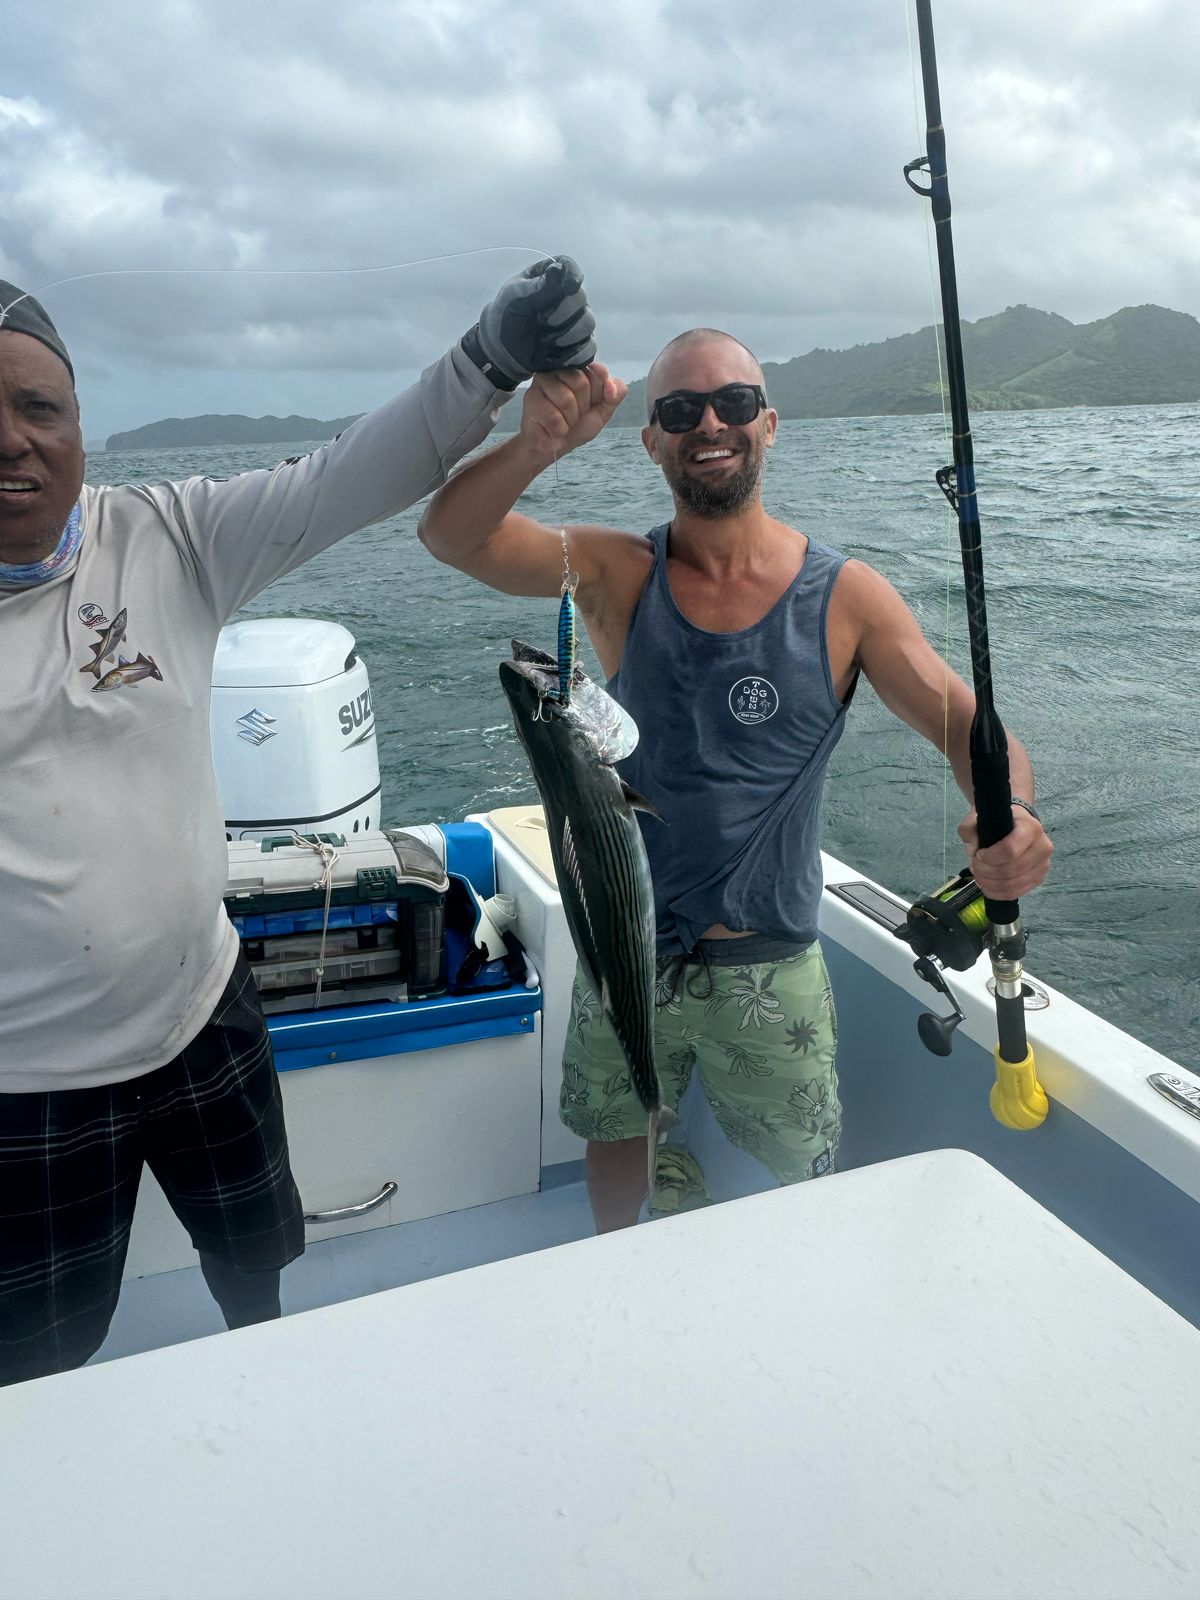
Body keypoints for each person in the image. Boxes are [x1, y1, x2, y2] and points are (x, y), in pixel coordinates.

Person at [0, 256, 596, 1385]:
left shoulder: (166, 538)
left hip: (200, 1013)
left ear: (80, 424)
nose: (12, 441)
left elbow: (348, 477)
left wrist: (492, 356)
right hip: (21, 1084)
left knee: (255, 1255)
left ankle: (269, 1385)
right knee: (38, 1357)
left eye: (39, 407)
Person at [418, 328, 1054, 1232]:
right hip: (627, 944)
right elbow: (450, 535)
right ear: (652, 441)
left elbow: (975, 735)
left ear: (769, 422)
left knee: (800, 1177)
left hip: (772, 961)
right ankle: (616, 1261)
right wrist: (536, 445)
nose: (709, 424)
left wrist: (1013, 813)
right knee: (616, 1133)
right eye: (680, 410)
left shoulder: (846, 598)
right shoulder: (616, 572)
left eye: (734, 402)